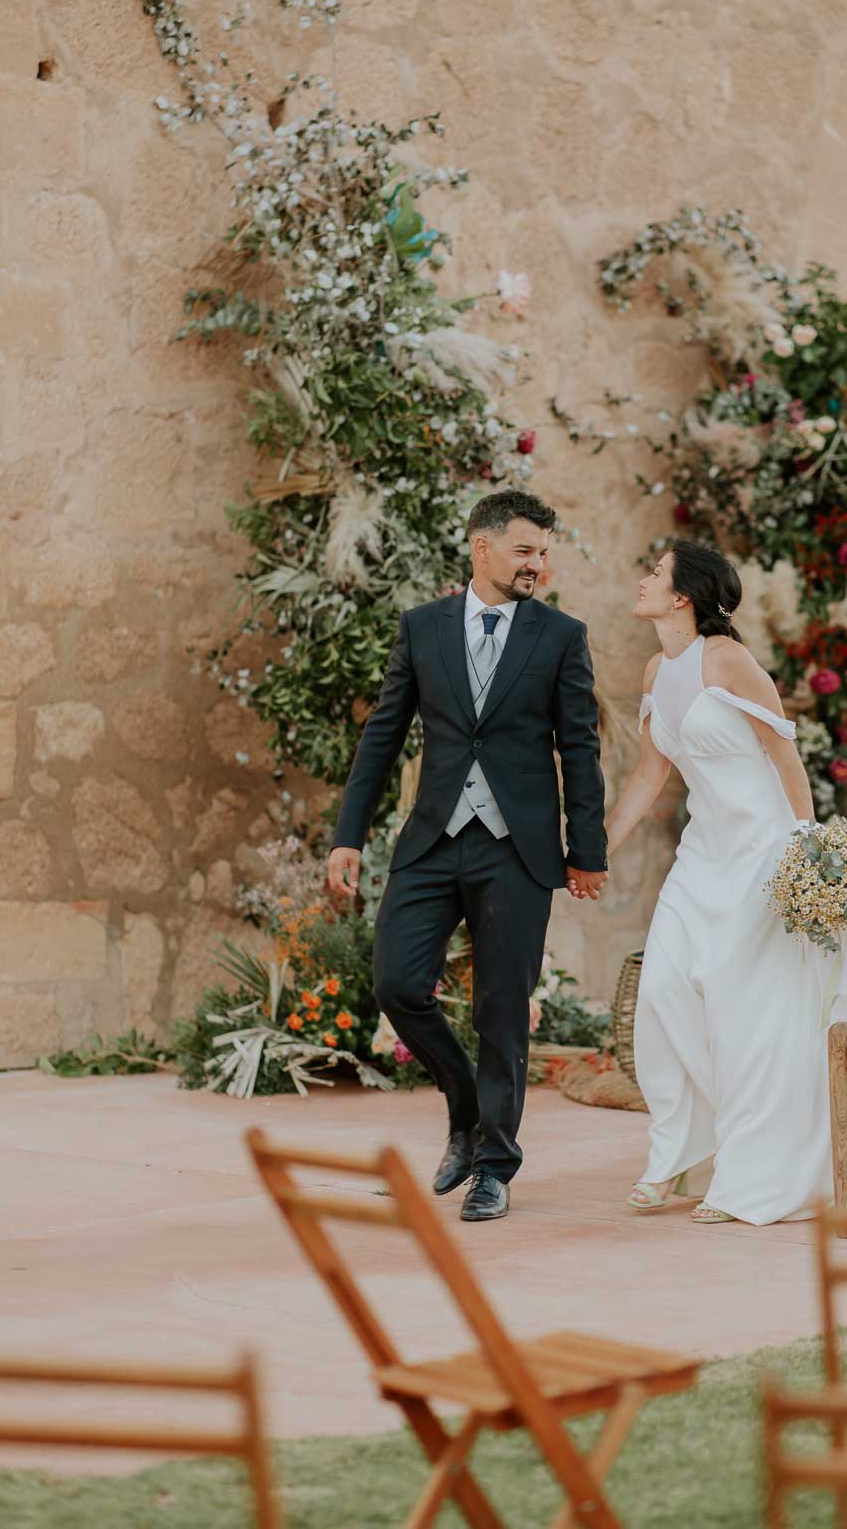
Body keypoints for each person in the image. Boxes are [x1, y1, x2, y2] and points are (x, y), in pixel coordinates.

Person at [606, 542, 847, 1226]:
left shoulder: (726, 660)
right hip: (701, 856)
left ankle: (753, 1181)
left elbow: (781, 752)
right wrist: (591, 848)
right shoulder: (653, 669)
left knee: (752, 1021)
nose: (640, 580)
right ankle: (674, 1153)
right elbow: (650, 772)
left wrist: (803, 848)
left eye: (655, 574)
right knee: (664, 994)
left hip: (763, 855)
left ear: (682, 597)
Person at [327, 489, 608, 1222]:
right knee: (396, 982)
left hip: (516, 848)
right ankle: (463, 1103)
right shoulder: (422, 629)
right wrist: (347, 836)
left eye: (544, 553)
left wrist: (587, 849)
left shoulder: (559, 636)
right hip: (432, 839)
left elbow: (577, 747)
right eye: (523, 550)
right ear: (481, 548)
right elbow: (382, 736)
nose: (536, 566)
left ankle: (493, 1166)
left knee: (501, 1012)